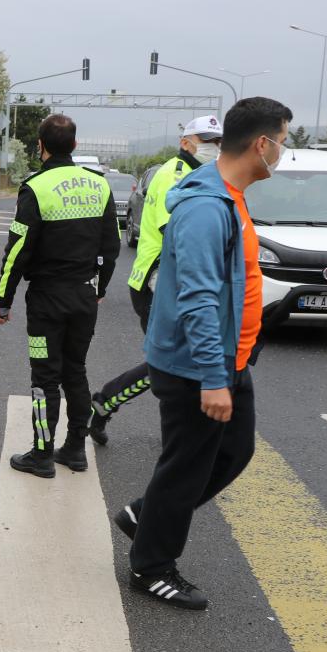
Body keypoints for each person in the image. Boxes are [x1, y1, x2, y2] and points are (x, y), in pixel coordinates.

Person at [118, 97, 289, 611]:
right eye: (282, 141)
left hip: (228, 361)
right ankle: (151, 567)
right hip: (199, 367)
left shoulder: (231, 196)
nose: (283, 151)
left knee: (234, 454)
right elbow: (197, 299)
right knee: (185, 468)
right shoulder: (204, 207)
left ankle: (144, 516)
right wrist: (214, 379)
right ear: (261, 144)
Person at [0, 114, 120, 477]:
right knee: (75, 372)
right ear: (75, 145)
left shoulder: (36, 187)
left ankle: (42, 454)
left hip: (47, 301)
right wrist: (100, 288)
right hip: (84, 297)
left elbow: (18, 250)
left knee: (44, 378)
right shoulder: (99, 186)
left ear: (40, 146)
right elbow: (112, 248)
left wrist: (4, 298)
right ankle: (76, 450)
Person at [87, 116, 224, 445]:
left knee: (181, 361)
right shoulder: (173, 174)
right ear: (186, 142)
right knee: (168, 365)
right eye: (206, 140)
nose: (214, 147)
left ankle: (113, 404)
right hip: (158, 281)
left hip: (176, 280)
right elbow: (178, 232)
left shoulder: (203, 173)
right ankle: (107, 401)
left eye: (218, 141)